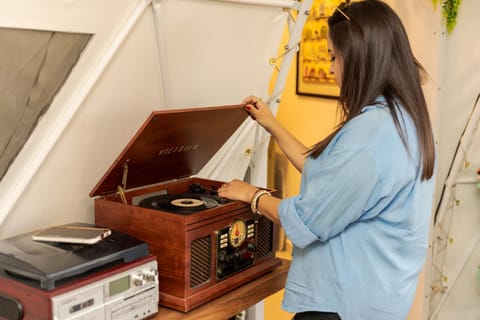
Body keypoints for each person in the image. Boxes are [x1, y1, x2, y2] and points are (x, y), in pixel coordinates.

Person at [217, 1, 436, 319]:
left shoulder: (371, 136)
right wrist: (271, 124)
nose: (331, 69)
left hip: (342, 305)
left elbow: (308, 219)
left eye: (334, 57)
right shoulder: (402, 118)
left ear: (361, 58)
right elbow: (331, 177)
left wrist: (252, 196)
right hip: (376, 299)